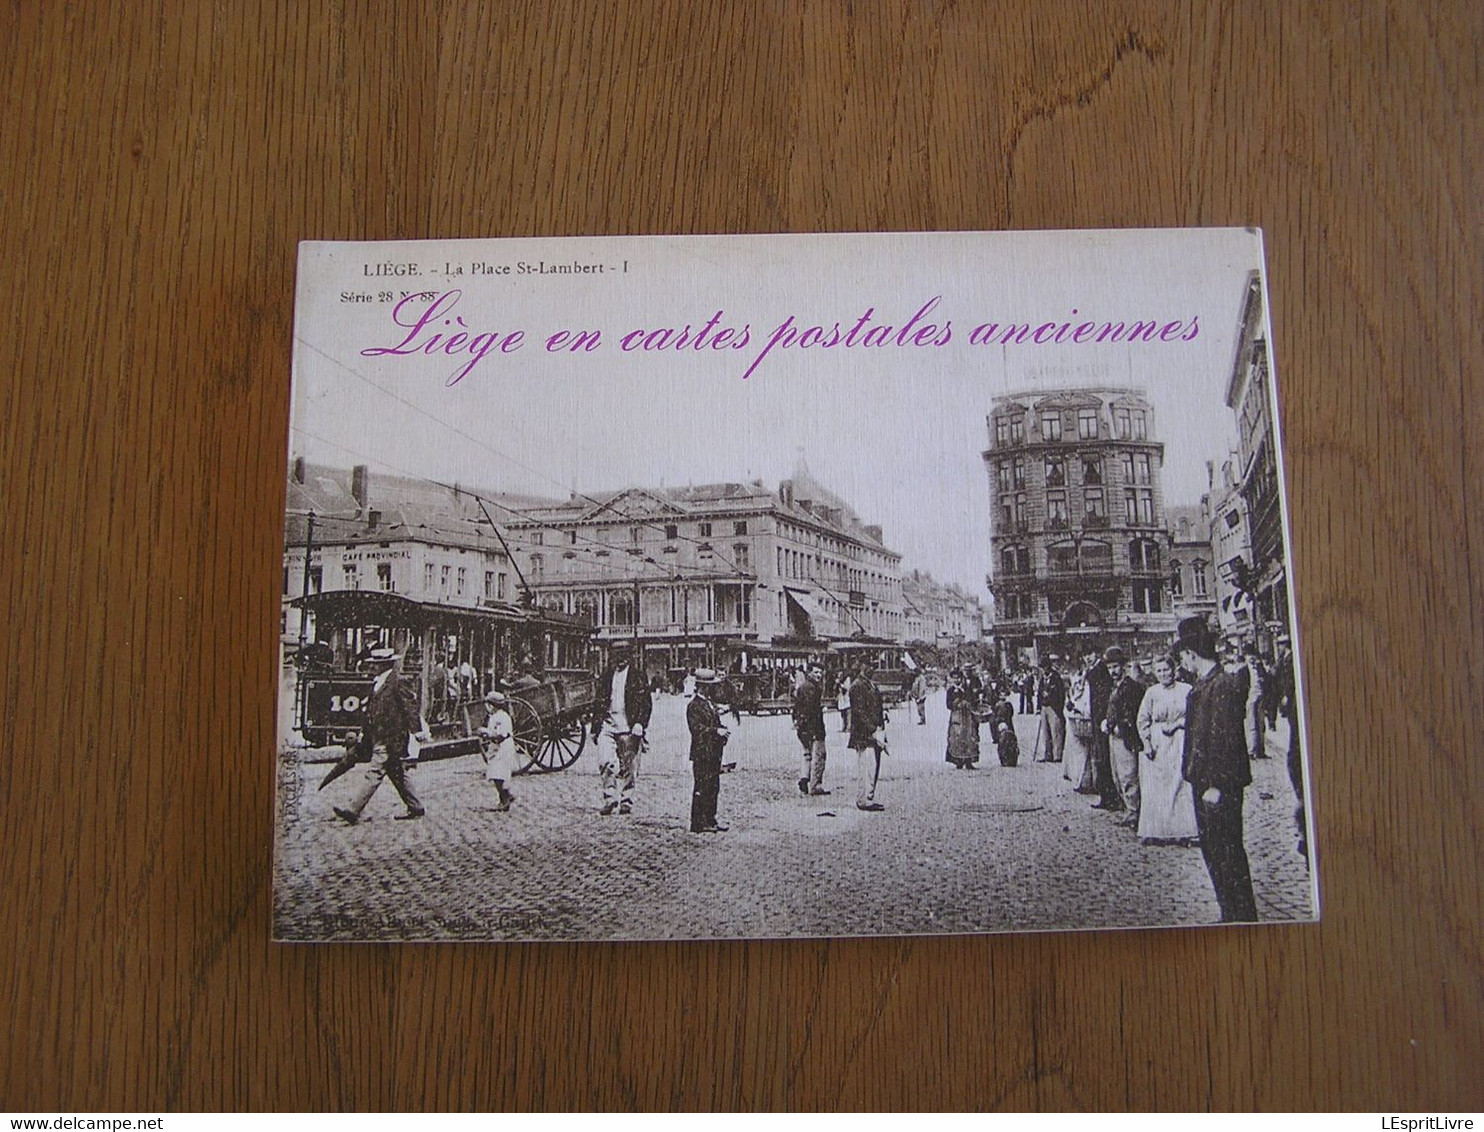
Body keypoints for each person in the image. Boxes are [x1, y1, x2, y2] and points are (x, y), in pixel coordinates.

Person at [1176, 616, 1259, 922]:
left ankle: (1242, 918)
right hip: (1204, 783)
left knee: (1228, 854)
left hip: (1217, 787)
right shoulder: (1204, 685)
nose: (1182, 662)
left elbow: (1225, 741)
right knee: (1215, 853)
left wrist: (1217, 786)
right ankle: (1230, 914)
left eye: (1183, 655)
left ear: (1191, 654)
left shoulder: (1221, 686)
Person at [334, 647, 427, 824]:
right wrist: (364, 732)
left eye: (375, 664)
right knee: (396, 772)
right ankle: (415, 806)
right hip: (378, 735)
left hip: (391, 737)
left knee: (375, 772)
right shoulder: (378, 682)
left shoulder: (397, 681)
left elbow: (409, 708)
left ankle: (353, 810)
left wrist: (417, 731)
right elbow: (371, 711)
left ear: (385, 665)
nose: (372, 667)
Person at [1134, 655, 1197, 844]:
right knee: (1156, 788)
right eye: (1159, 670)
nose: (1163, 674)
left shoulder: (1186, 690)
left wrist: (1178, 724)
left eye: (1166, 669)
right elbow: (1142, 720)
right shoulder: (1152, 693)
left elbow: (1195, 716)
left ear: (1174, 670)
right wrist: (1147, 743)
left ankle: (1185, 831)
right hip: (1158, 744)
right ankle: (1156, 831)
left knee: (1180, 785)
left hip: (1180, 741)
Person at [591, 645, 652, 816]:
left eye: (624, 655)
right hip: (608, 726)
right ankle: (610, 798)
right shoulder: (607, 676)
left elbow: (646, 704)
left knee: (629, 766)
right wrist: (595, 728)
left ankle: (626, 800)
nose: (620, 659)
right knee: (605, 761)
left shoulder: (638, 676)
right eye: (617, 656)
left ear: (629, 657)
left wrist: (640, 723)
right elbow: (599, 702)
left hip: (628, 727)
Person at [1105, 648, 1147, 828]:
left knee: (1128, 774)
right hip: (1114, 735)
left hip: (1126, 737)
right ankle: (1128, 808)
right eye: (1109, 667)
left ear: (1123, 666)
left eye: (1115, 667)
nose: (1113, 671)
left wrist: (1119, 726)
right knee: (1118, 775)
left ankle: (1134, 811)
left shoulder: (1131, 687)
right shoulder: (1115, 686)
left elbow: (1134, 714)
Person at [687, 669, 731, 833]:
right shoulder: (694, 706)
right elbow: (697, 729)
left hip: (713, 752)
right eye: (710, 686)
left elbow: (714, 724)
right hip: (702, 753)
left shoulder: (709, 703)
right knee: (702, 786)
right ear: (702, 687)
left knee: (713, 786)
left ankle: (711, 819)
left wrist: (722, 731)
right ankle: (698, 822)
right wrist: (715, 731)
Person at [848, 662, 887, 811]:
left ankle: (869, 796)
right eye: (870, 667)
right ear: (863, 667)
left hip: (873, 731)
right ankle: (863, 799)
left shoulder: (869, 684)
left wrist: (881, 724)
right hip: (864, 734)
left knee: (873, 766)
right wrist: (872, 729)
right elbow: (859, 712)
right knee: (865, 767)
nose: (873, 670)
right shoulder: (857, 686)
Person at [1086, 648, 1120, 811]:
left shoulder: (1100, 670)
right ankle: (1106, 796)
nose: (1087, 658)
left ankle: (1109, 797)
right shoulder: (1095, 669)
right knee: (1101, 759)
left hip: (1102, 721)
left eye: (1090, 654)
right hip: (1097, 720)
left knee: (1104, 759)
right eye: (1085, 655)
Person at [791, 663, 830, 795]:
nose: (819, 675)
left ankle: (804, 778)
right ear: (809, 673)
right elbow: (811, 710)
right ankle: (816, 785)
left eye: (820, 672)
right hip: (814, 727)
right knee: (819, 756)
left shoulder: (802, 687)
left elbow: (797, 708)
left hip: (802, 727)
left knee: (806, 754)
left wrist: (798, 723)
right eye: (816, 672)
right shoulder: (812, 688)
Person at [477, 689, 518, 811]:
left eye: (488, 705)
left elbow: (499, 735)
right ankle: (506, 796)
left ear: (492, 705)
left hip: (502, 747)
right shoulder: (497, 716)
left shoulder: (500, 718)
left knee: (497, 773)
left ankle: (504, 799)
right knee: (498, 773)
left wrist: (486, 733)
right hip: (500, 747)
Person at [944, 668, 980, 770]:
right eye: (954, 678)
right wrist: (955, 703)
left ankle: (969, 761)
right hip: (956, 717)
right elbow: (948, 705)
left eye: (958, 678)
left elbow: (973, 700)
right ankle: (958, 761)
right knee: (956, 738)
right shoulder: (950, 691)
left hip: (967, 717)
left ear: (961, 678)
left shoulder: (967, 688)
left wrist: (968, 703)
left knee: (969, 737)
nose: (956, 680)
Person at [1035, 655, 1066, 763]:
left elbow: (1061, 694)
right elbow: (1039, 693)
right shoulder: (1042, 678)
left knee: (1056, 732)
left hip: (1054, 708)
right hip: (1044, 707)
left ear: (1049, 666)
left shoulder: (1056, 677)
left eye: (1045, 667)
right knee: (1045, 732)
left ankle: (1057, 755)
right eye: (1042, 668)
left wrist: (1055, 703)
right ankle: (1047, 755)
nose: (1043, 670)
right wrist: (1038, 707)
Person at [990, 693, 1019, 766]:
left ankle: (1005, 758)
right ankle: (1009, 758)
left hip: (1004, 726)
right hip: (1007, 726)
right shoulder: (1007, 705)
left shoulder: (999, 705)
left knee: (1003, 742)